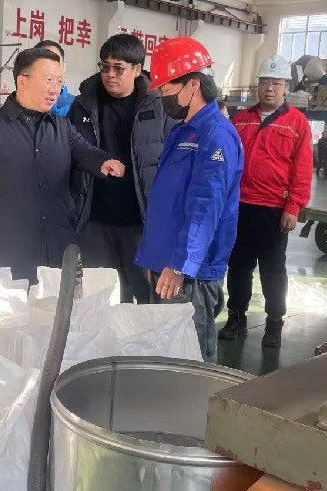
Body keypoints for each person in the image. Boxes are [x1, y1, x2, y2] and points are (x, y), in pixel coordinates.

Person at [0, 48, 126, 282]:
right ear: (22, 81)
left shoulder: (62, 127)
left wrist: (104, 161)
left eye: (59, 81)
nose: (55, 89)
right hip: (11, 247)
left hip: (58, 244)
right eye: (49, 80)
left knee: (57, 303)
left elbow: (84, 151)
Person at [134, 38, 243, 364]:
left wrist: (180, 264)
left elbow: (205, 207)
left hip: (189, 273)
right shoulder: (184, 131)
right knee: (165, 353)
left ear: (193, 85)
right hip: (167, 264)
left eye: (167, 89)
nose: (162, 96)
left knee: (190, 359)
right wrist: (155, 259)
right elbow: (169, 199)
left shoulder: (216, 135)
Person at [68, 33, 173, 303]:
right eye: (105, 67)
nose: (110, 75)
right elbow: (71, 153)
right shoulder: (83, 104)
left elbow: (173, 164)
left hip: (140, 223)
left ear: (137, 70)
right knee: (102, 299)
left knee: (147, 300)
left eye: (119, 68)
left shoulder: (159, 107)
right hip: (95, 222)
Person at [218, 56, 313, 348]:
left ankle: (274, 323)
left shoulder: (297, 123)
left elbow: (302, 169)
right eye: (265, 83)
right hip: (241, 206)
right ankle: (236, 317)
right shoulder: (240, 119)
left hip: (274, 210)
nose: (270, 88)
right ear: (257, 86)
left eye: (276, 83)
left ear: (286, 87)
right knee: (238, 266)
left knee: (273, 270)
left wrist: (293, 206)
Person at [35, 40, 75, 116]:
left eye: (56, 61)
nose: (52, 68)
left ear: (64, 67)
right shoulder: (24, 104)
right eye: (46, 63)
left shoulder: (76, 105)